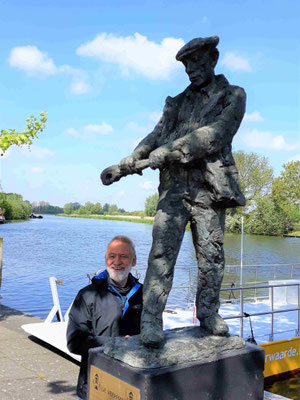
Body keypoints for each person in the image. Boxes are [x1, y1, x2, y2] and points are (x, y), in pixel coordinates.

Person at [101, 36, 246, 348]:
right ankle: (151, 321)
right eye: (187, 66)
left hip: (209, 190)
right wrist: (131, 158)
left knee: (211, 257)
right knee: (161, 256)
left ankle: (208, 313)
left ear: (213, 60)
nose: (192, 70)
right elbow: (156, 135)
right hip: (173, 190)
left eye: (197, 63)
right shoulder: (176, 103)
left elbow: (214, 135)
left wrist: (168, 150)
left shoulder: (232, 95)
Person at [67, 235, 143, 399]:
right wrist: (116, 343)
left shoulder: (145, 296)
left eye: (124, 256)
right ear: (106, 260)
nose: (117, 262)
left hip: (132, 387)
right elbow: (75, 342)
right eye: (112, 256)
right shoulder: (88, 295)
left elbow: (154, 336)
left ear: (134, 260)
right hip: (95, 385)